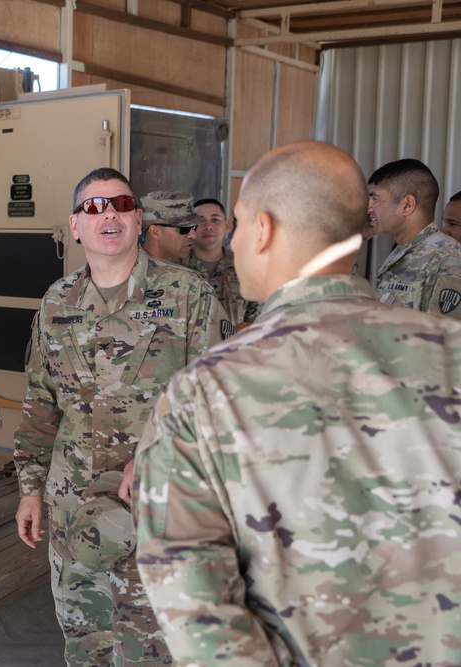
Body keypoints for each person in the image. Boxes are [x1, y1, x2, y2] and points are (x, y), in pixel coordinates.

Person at [129, 140, 461, 665]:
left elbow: (196, 610)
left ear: (262, 230)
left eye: (237, 224)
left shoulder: (205, 393)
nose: (232, 242)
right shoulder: (451, 352)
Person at [13, 168, 229, 666]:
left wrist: (158, 457)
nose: (108, 213)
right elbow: (41, 403)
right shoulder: (56, 302)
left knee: (153, 649)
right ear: (75, 225)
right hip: (74, 510)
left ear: (138, 221)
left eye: (121, 205)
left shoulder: (188, 295)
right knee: (84, 643)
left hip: (159, 508)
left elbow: (217, 400)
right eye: (94, 207)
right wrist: (30, 487)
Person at [367, 158, 461, 317]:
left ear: (407, 205)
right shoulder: (402, 251)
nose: (369, 208)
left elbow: (446, 337)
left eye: (375, 199)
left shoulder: (446, 257)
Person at [183, 197, 259, 328]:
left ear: (227, 225)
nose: (208, 226)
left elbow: (257, 321)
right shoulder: (175, 267)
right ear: (191, 227)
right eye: (200, 221)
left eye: (215, 220)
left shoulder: (246, 268)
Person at [138, 190, 199, 263]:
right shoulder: (127, 267)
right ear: (155, 232)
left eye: (194, 227)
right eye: (184, 229)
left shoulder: (193, 265)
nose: (193, 235)